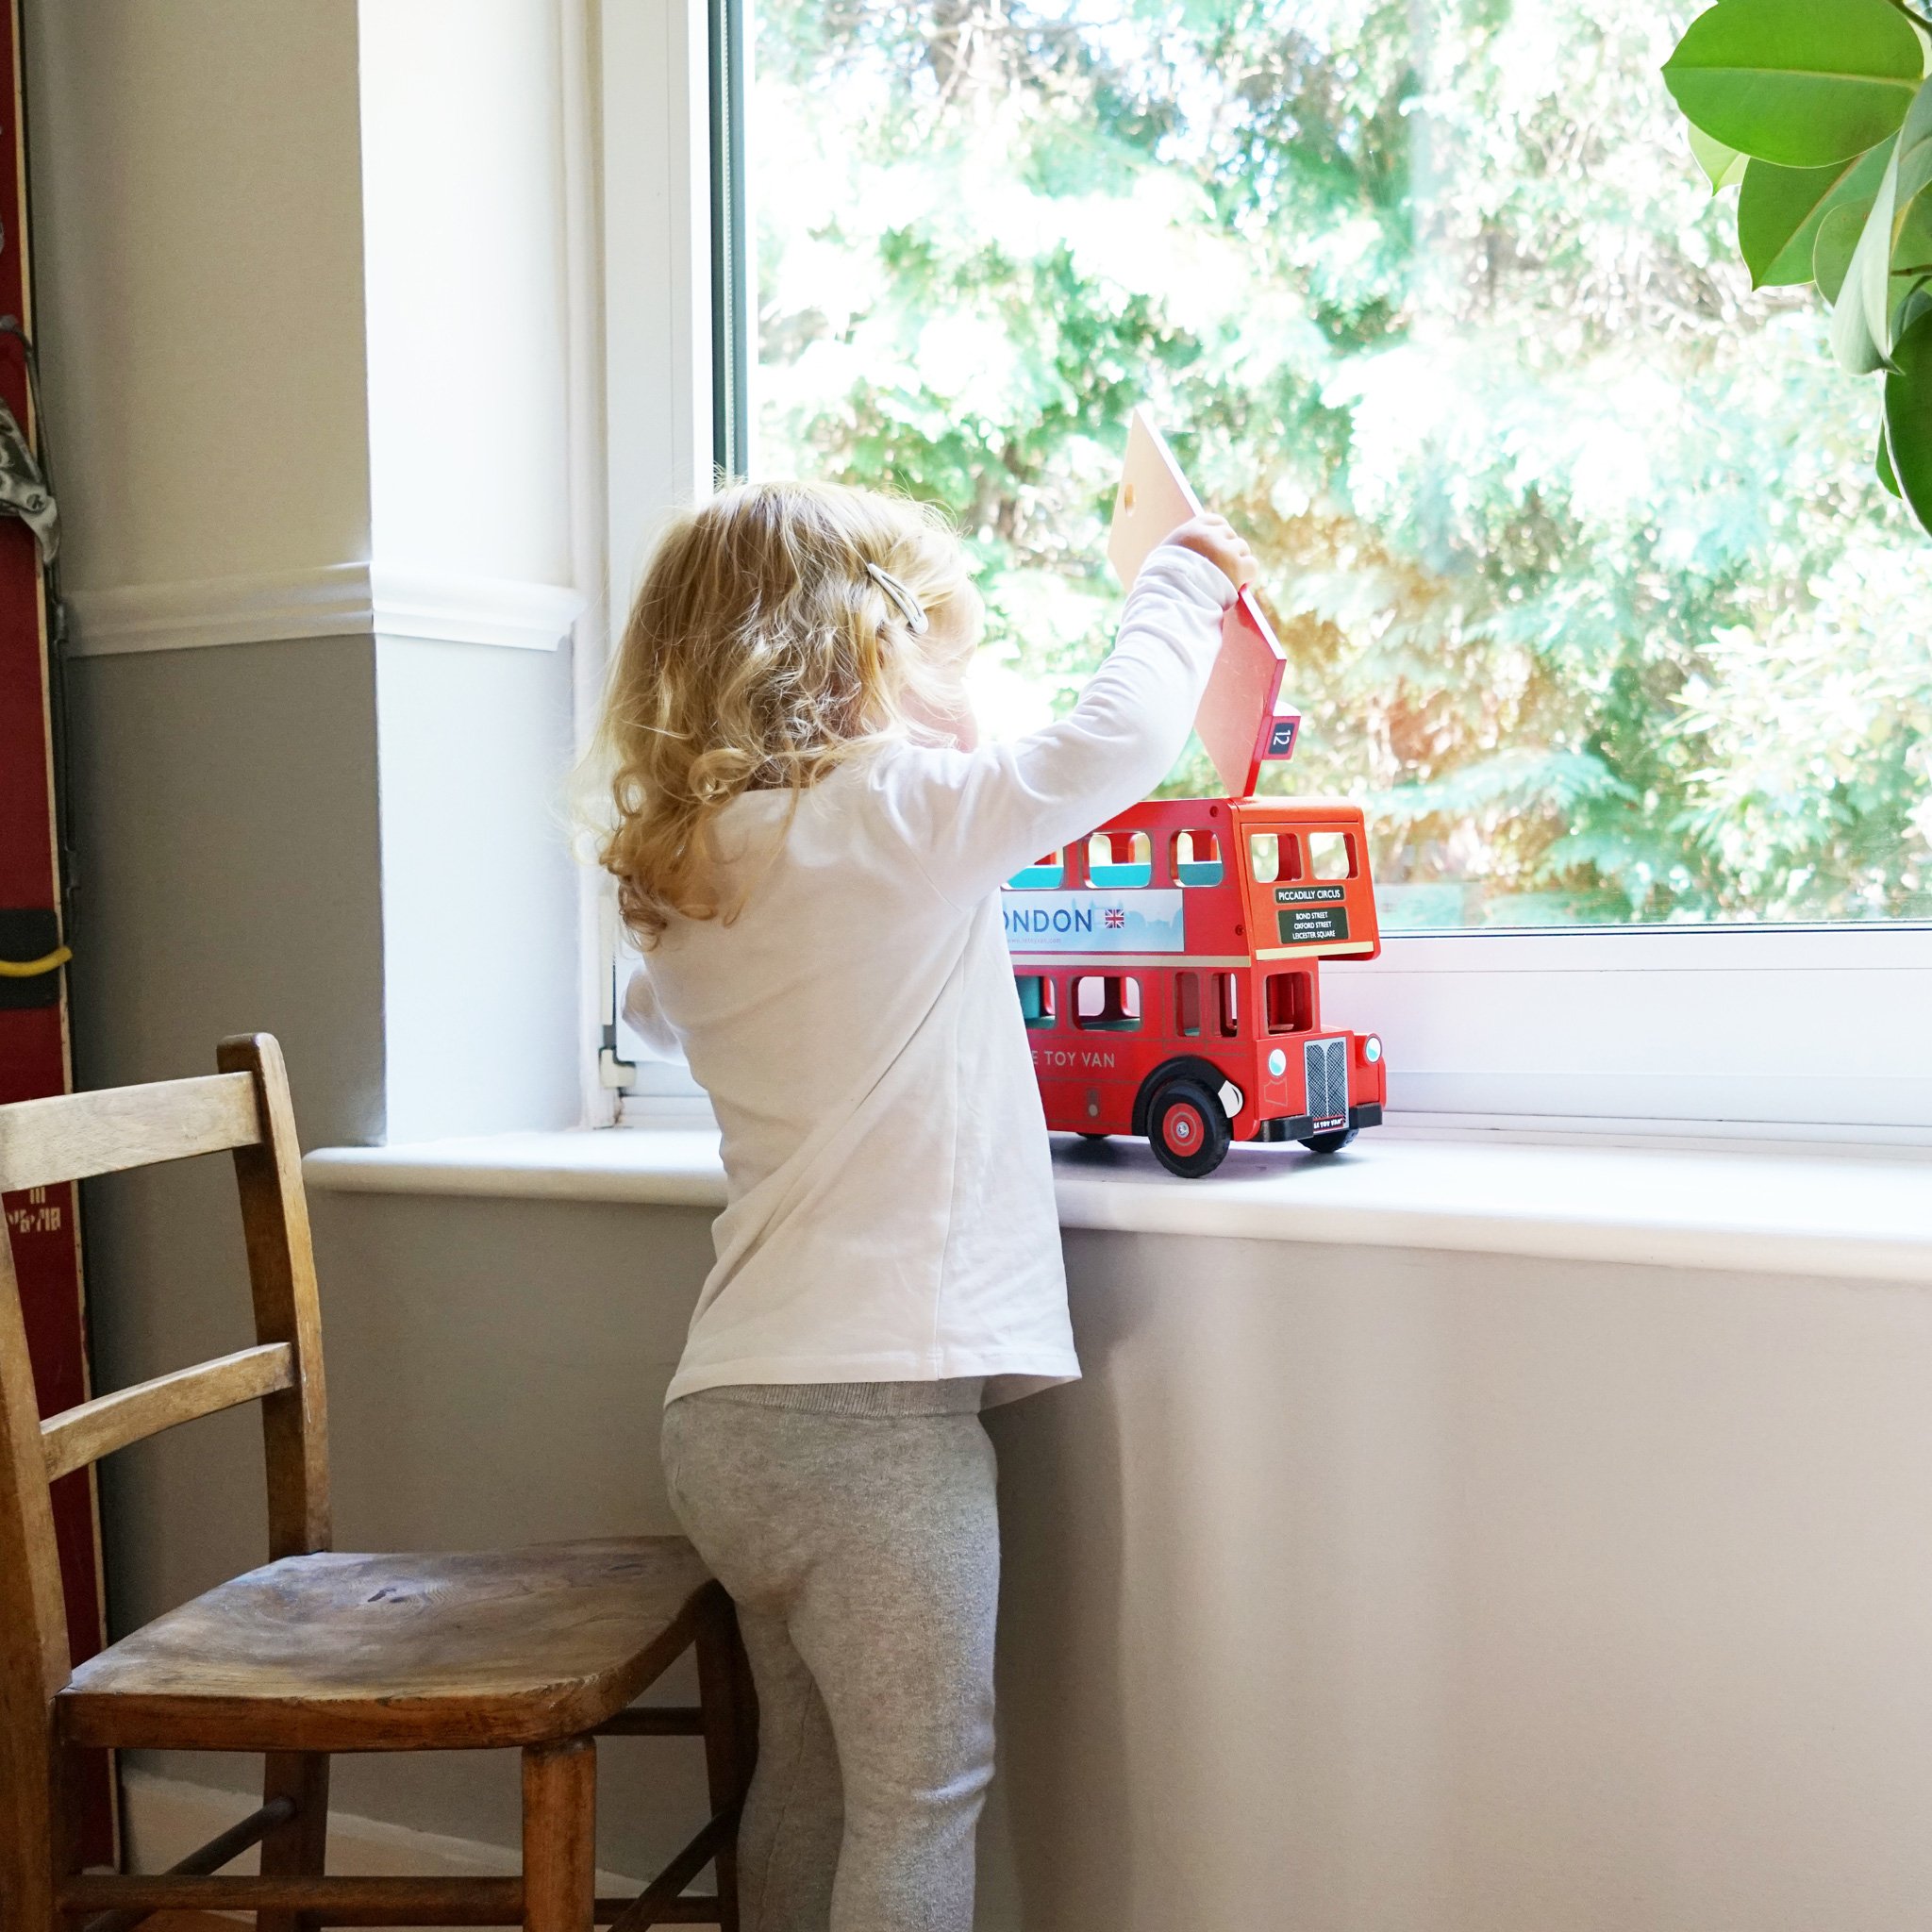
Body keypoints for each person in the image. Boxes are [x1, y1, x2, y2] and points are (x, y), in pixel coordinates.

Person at [585, 477, 1255, 1932]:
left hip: (731, 1420)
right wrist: (1181, 582)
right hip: (872, 1427)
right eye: (937, 658)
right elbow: (1113, 745)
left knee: (810, 1790)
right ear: (854, 659)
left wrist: (934, 706)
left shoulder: (694, 883)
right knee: (921, 1795)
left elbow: (668, 1003)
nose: (963, 692)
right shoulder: (881, 821)